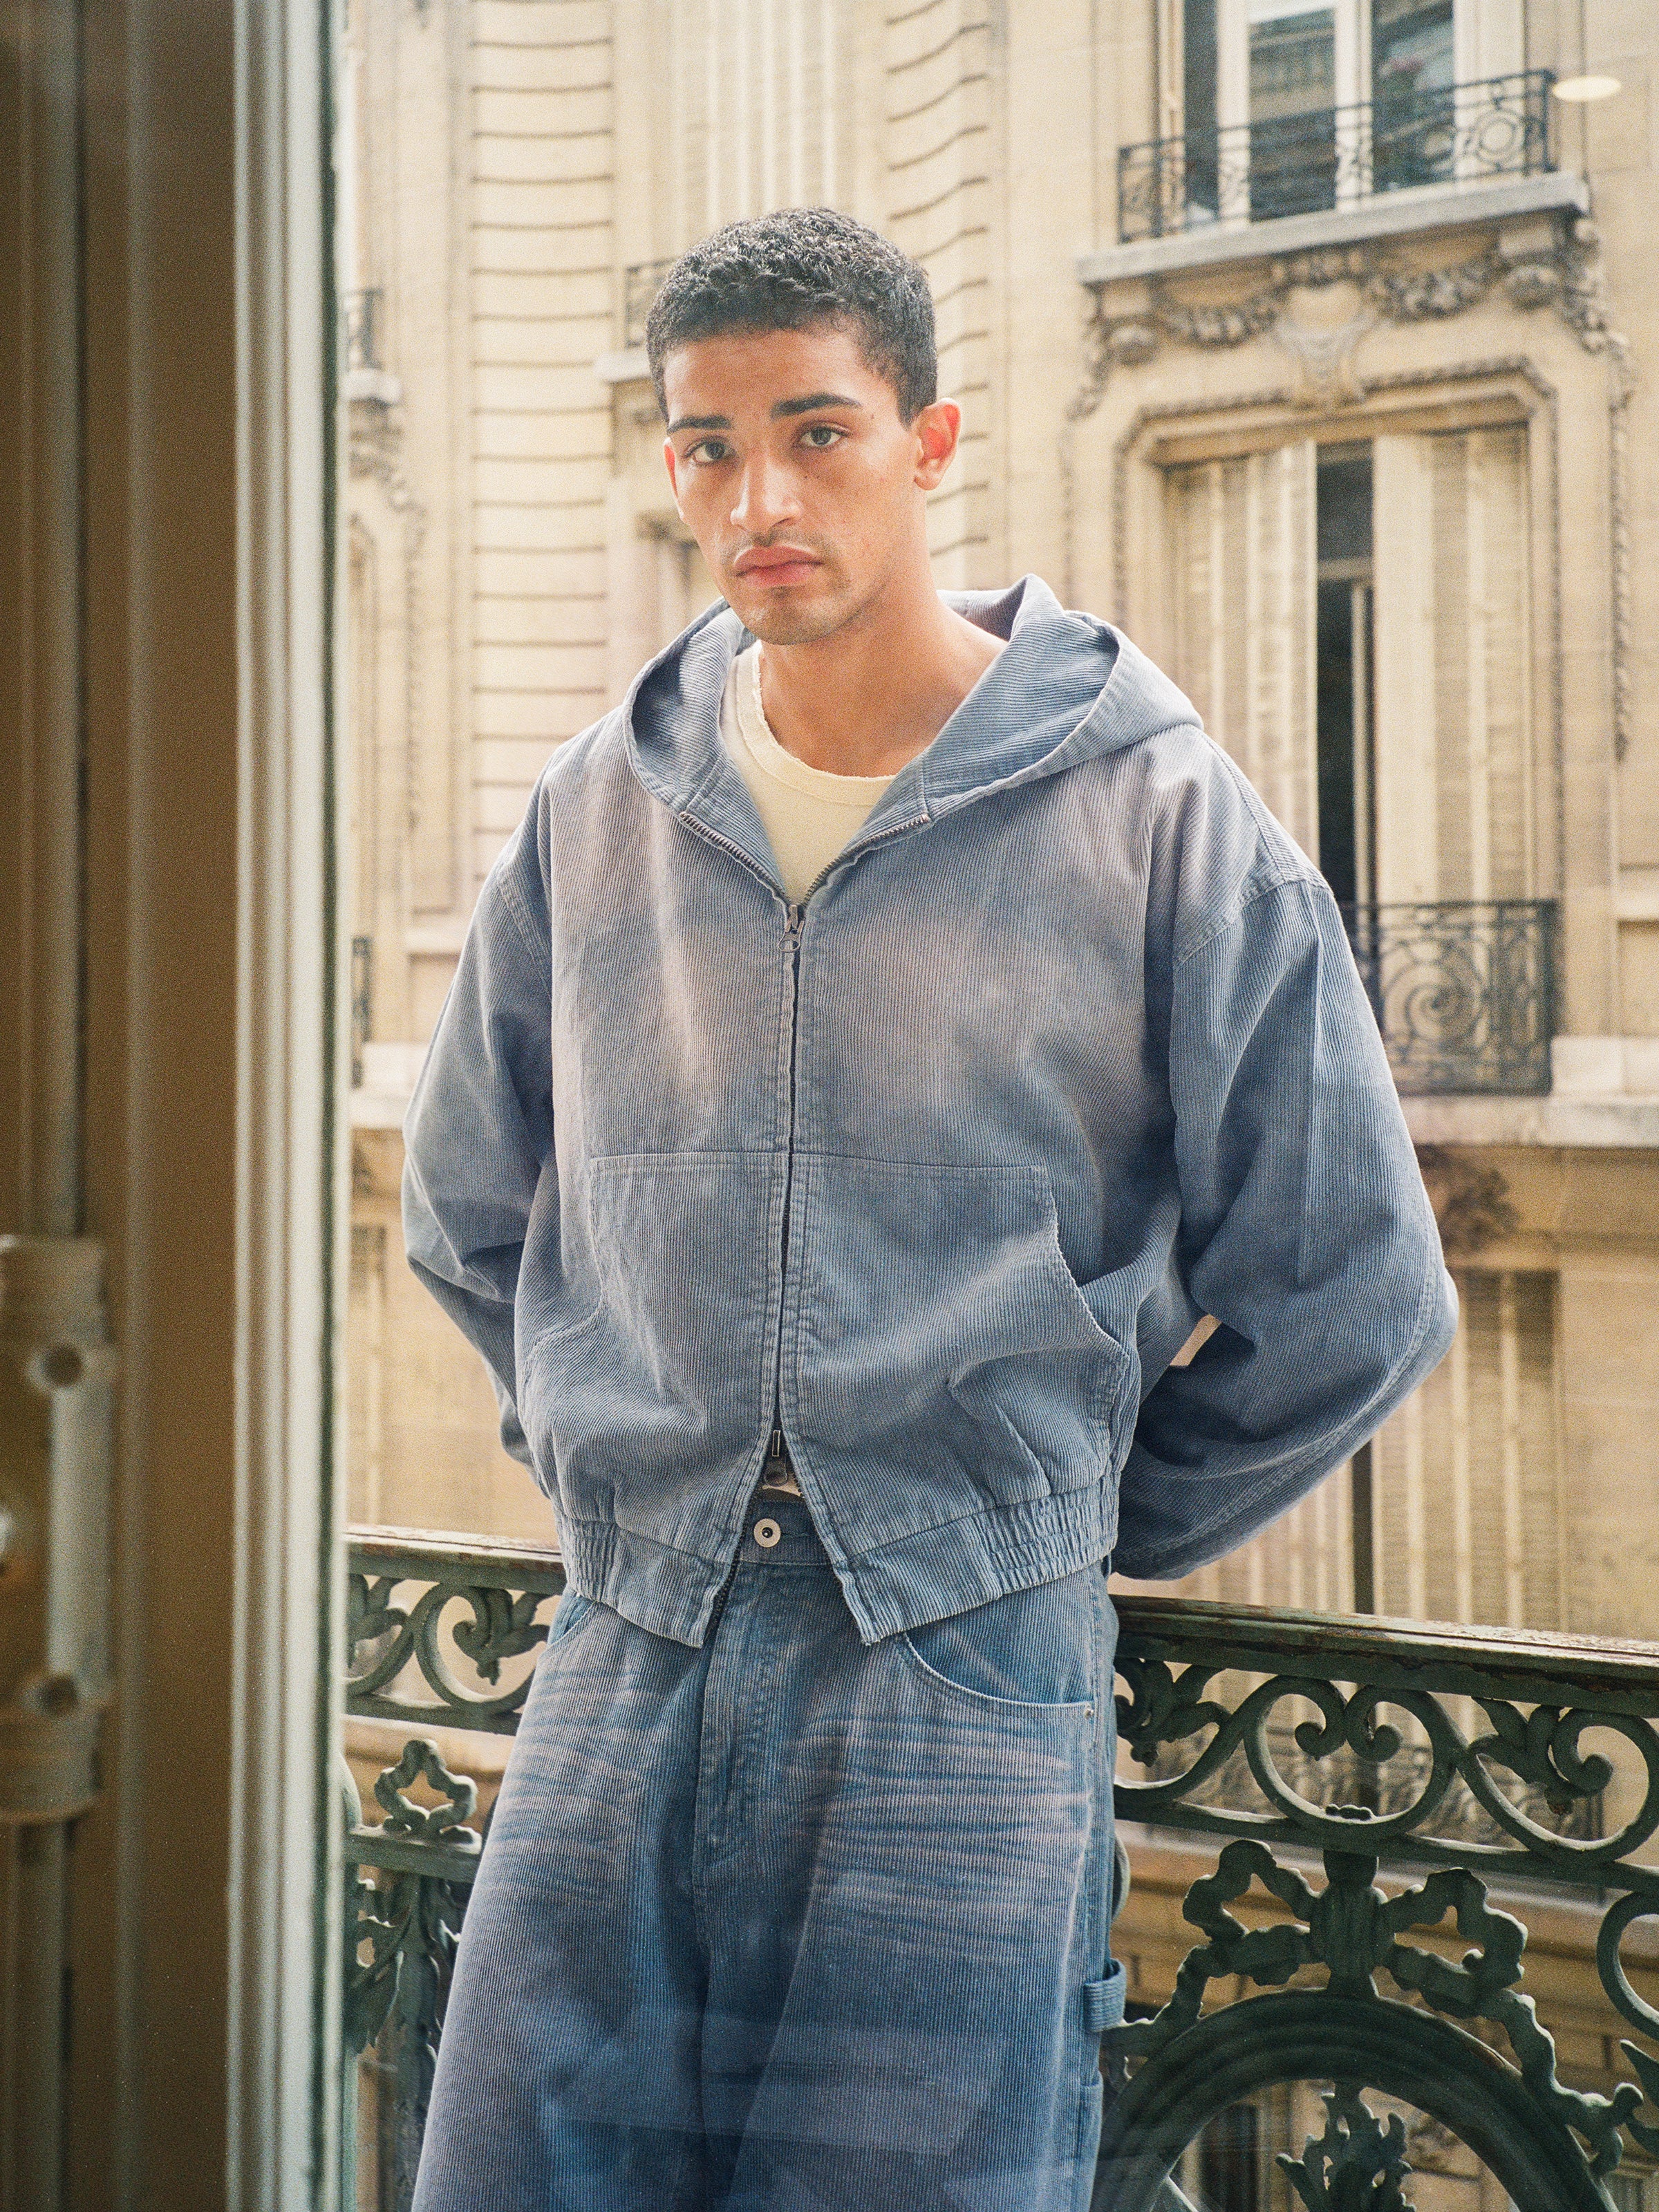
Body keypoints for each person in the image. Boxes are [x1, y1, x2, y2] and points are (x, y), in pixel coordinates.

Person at [403, 207, 1456, 2212]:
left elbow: (1355, 1288)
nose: (761, 499)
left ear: (929, 441)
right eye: (710, 447)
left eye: (819, 433)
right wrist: (631, 1462)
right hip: (626, 1652)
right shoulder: (596, 808)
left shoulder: (1156, 809)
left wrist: (1050, 1525)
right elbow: (465, 1213)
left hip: (963, 1691)